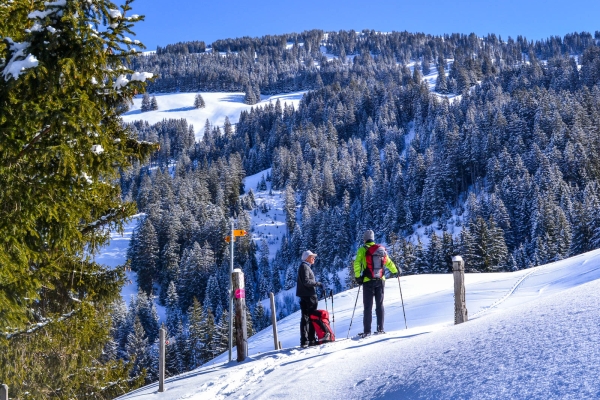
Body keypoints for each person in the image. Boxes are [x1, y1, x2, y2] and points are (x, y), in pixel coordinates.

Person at [353, 229, 399, 337]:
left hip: (368, 281)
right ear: (373, 239)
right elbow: (388, 262)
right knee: (380, 305)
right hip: (380, 280)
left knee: (368, 307)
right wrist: (395, 271)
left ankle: (367, 331)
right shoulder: (380, 250)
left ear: (364, 239)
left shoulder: (362, 249)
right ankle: (380, 329)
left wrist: (357, 277)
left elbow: (357, 263)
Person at [296, 250, 328, 347]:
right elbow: (306, 281)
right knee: (312, 317)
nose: (314, 258)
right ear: (307, 258)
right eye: (312, 257)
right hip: (309, 296)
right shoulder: (305, 267)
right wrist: (318, 284)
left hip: (304, 295)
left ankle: (305, 340)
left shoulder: (303, 266)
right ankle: (311, 339)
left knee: (305, 318)